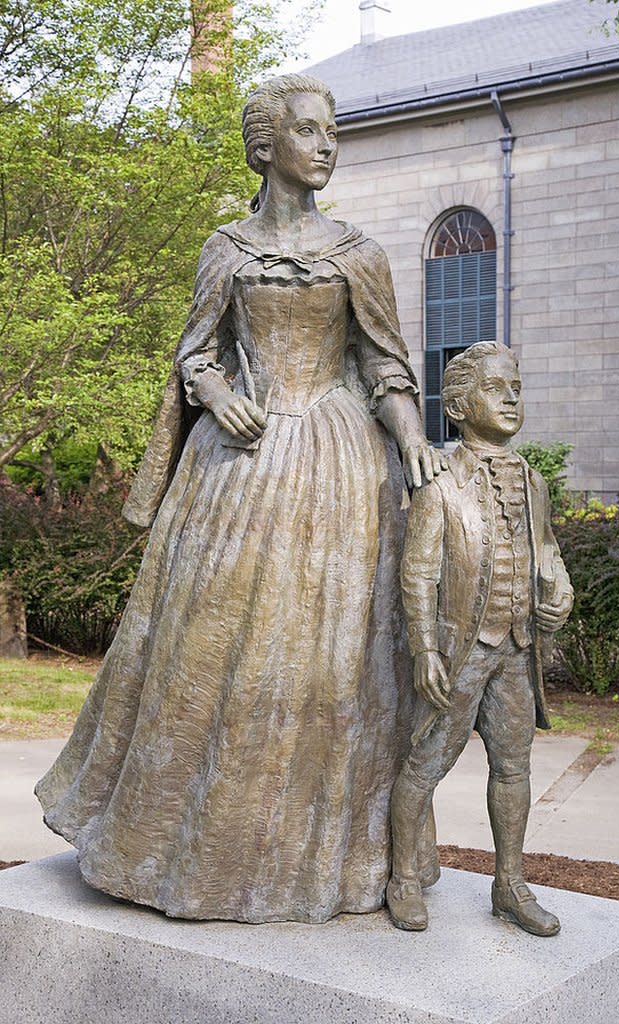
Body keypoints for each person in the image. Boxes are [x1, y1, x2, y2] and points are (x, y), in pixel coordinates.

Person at [35, 74, 444, 924]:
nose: (326, 144)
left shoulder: (357, 253)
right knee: (204, 643)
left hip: (336, 468)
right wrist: (215, 393)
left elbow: (384, 365)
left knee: (332, 661)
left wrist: (410, 435)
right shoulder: (226, 248)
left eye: (332, 131)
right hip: (236, 465)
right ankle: (175, 846)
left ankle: (327, 861)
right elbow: (195, 354)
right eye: (307, 130)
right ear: (267, 147)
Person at [387, 342, 573, 934]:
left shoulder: (534, 482)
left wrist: (558, 589)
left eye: (516, 386)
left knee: (513, 766)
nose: (512, 397)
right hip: (462, 650)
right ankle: (404, 878)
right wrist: (424, 648)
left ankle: (510, 884)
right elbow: (418, 570)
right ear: (461, 406)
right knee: (426, 764)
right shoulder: (440, 482)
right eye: (497, 388)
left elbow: (545, 548)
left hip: (517, 652)